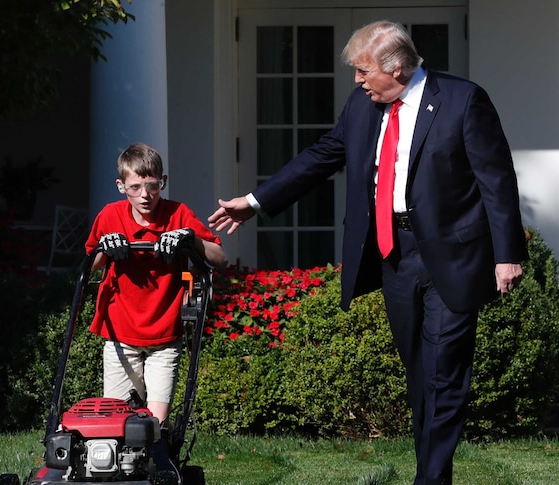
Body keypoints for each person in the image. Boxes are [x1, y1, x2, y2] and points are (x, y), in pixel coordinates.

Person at [208, 20, 527, 485]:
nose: (357, 81)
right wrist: (256, 202)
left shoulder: (462, 100)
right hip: (392, 253)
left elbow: (496, 180)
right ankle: (432, 470)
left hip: (452, 256)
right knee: (419, 373)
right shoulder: (362, 106)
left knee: (444, 372)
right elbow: (322, 155)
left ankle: (431, 479)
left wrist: (507, 254)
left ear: (395, 68)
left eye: (363, 71)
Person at [86, 142, 228, 426]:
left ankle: (157, 467)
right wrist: (105, 247)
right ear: (121, 186)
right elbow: (89, 265)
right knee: (118, 421)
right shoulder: (110, 216)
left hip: (165, 335)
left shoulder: (177, 214)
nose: (145, 195)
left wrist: (190, 239)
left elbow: (219, 258)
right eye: (136, 187)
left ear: (163, 182)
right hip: (120, 333)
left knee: (155, 425)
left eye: (152, 186)